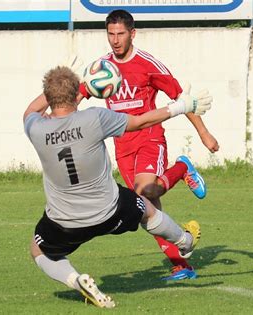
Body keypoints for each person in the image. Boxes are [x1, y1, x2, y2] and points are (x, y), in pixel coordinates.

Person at [24, 66, 211, 308]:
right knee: (145, 208)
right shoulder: (94, 118)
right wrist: (181, 106)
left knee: (38, 250)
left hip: (64, 221)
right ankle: (184, 241)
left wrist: (66, 86)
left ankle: (75, 279)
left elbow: (30, 110)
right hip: (110, 211)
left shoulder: (36, 128)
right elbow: (141, 121)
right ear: (76, 94)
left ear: (48, 98)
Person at [76, 9, 220, 280]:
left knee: (147, 189)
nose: (115, 40)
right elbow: (77, 96)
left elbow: (181, 98)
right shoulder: (102, 69)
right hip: (122, 144)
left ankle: (182, 167)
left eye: (120, 34)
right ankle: (182, 265)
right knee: (146, 208)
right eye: (110, 34)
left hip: (149, 138)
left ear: (133, 34)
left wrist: (204, 133)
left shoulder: (149, 64)